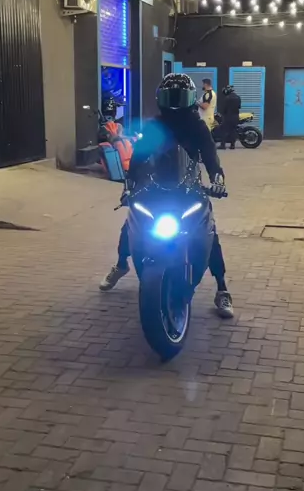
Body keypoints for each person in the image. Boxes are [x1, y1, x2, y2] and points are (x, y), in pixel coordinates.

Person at [99, 73, 234, 318]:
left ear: (190, 99)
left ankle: (222, 288)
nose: (174, 104)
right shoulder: (154, 125)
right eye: (170, 97)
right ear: (161, 99)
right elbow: (138, 158)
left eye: (179, 97)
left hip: (189, 186)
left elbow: (211, 158)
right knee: (131, 223)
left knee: (209, 232)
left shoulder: (197, 126)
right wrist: (129, 185)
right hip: (155, 186)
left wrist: (217, 180)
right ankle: (121, 264)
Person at [219, 85, 241, 150]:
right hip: (236, 116)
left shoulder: (227, 98)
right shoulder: (238, 97)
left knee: (224, 130)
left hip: (228, 116)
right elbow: (239, 107)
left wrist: (222, 113)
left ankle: (223, 145)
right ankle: (232, 145)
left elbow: (224, 108)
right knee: (233, 131)